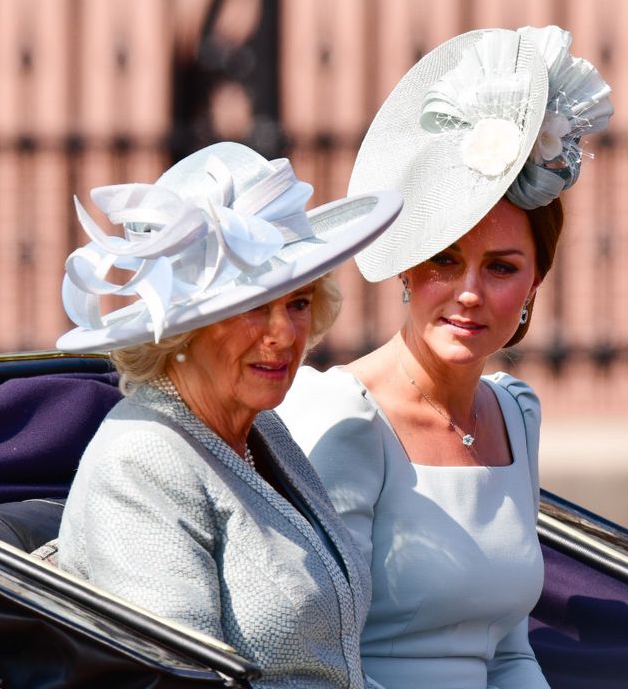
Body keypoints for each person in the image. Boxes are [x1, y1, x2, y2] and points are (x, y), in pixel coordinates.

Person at [276, 26, 611, 688]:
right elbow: (309, 660)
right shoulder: (348, 419)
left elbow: (509, 652)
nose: (468, 294)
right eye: (444, 262)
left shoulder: (515, 416)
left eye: (502, 267)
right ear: (405, 270)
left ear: (536, 280)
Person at [53, 142, 401, 689]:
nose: (284, 334)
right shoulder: (140, 461)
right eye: (250, 308)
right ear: (184, 328)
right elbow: (178, 680)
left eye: (299, 302)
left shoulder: (261, 430)